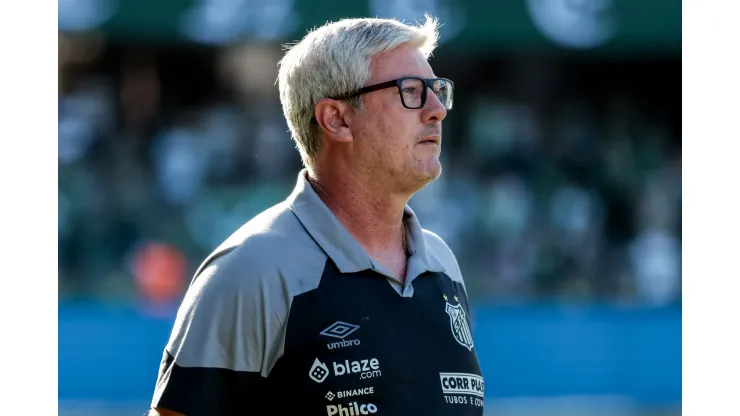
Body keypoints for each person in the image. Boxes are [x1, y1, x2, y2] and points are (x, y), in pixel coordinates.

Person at [149, 15, 483, 416]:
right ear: (336, 119)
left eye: (437, 90)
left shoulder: (443, 266)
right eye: (410, 91)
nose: (436, 111)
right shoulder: (251, 271)